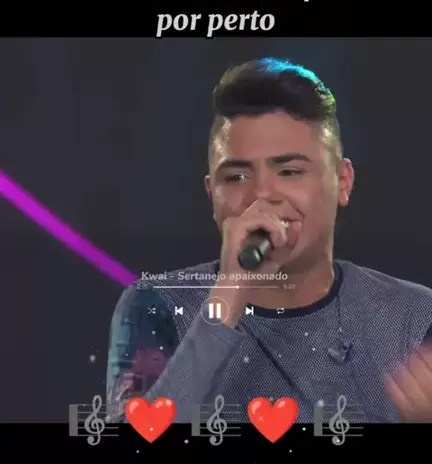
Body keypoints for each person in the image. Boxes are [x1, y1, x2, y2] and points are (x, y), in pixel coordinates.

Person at [106, 57, 432, 424]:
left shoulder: (415, 317)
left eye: (289, 171)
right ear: (212, 195)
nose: (262, 194)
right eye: (236, 177)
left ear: (343, 182)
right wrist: (230, 291)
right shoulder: (156, 306)